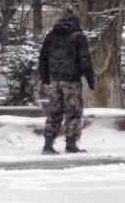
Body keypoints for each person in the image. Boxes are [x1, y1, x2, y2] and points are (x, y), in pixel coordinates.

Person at [39, 14, 96, 155]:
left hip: (54, 80)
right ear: (76, 23)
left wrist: (45, 77)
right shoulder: (78, 36)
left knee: (54, 110)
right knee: (74, 111)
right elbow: (84, 59)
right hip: (71, 80)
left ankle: (48, 145)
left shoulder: (50, 35)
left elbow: (43, 57)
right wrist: (90, 79)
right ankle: (71, 145)